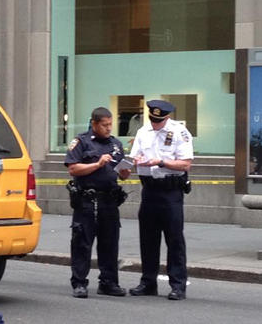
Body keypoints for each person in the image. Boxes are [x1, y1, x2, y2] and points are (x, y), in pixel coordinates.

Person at [128, 100, 193, 301]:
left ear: (167, 118)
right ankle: (148, 282)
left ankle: (178, 285)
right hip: (149, 190)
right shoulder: (143, 132)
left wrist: (161, 162)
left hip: (170, 192)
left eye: (159, 121)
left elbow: (185, 164)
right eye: (152, 119)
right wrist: (136, 161)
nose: (155, 124)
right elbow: (134, 157)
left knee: (174, 240)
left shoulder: (180, 133)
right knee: (148, 239)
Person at [64, 107, 131, 298]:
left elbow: (121, 172)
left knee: (110, 244)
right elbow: (73, 169)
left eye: (111, 124)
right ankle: (79, 283)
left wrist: (125, 173)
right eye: (104, 125)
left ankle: (109, 282)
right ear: (94, 124)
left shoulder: (116, 144)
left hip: (109, 200)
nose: (109, 128)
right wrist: (97, 164)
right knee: (82, 243)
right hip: (87, 200)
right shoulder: (81, 142)